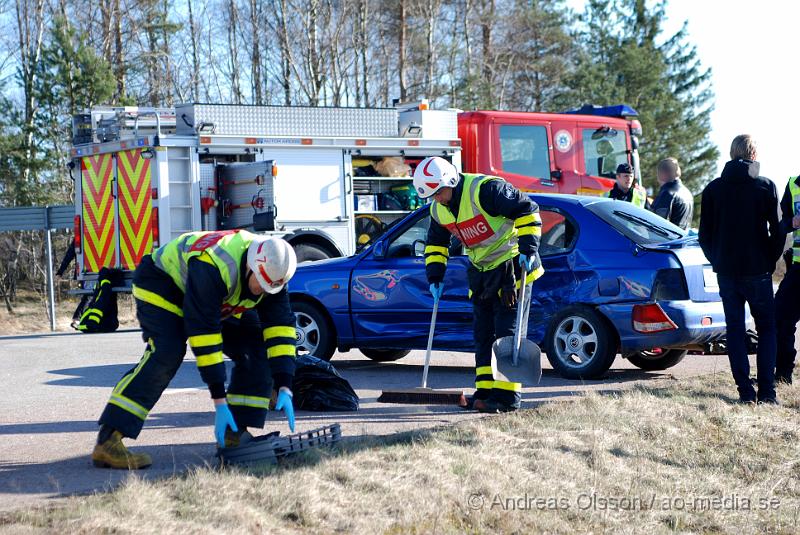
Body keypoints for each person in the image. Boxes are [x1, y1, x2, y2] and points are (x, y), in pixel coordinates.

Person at [91, 230, 299, 469]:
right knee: (167, 353)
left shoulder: (273, 273)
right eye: (260, 284)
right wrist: (219, 401)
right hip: (163, 283)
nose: (263, 291)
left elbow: (280, 328)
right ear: (251, 267)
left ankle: (234, 436)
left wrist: (285, 384)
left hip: (214, 297)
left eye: (268, 288)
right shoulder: (215, 265)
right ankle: (109, 440)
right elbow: (205, 336)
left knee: (255, 346)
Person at [417, 156, 543, 413]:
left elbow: (527, 209)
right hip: (481, 273)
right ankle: (485, 391)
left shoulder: (485, 190)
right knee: (482, 336)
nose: (438, 198)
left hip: (512, 268)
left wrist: (528, 248)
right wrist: (435, 276)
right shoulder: (438, 209)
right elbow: (436, 244)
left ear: (451, 181)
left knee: (507, 334)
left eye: (439, 192)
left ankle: (507, 398)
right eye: (432, 196)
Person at [698, 135, 784, 404]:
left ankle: (745, 393)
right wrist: (769, 259)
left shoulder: (713, 189)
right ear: (754, 154)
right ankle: (767, 393)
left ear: (731, 153)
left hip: (727, 272)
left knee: (734, 330)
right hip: (758, 270)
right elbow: (778, 230)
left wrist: (717, 260)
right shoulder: (766, 186)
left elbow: (704, 235)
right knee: (767, 328)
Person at [774, 173, 800, 384]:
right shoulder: (793, 184)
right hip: (798, 268)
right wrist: (793, 221)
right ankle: (783, 374)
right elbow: (782, 225)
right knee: (780, 317)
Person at [55, 241, 90, 329]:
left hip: (84, 271)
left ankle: (84, 319)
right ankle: (77, 319)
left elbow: (68, 255)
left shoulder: (81, 235)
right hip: (88, 272)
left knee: (90, 296)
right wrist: (60, 272)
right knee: (89, 295)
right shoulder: (80, 237)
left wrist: (60, 272)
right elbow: (69, 255)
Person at [651, 157, 694, 229]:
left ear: (662, 174)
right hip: (684, 238)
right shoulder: (687, 193)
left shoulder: (667, 194)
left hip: (669, 239)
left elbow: (658, 226)